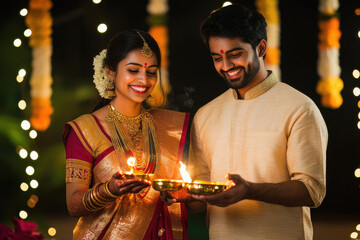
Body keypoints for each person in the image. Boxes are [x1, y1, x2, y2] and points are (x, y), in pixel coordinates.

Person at [183, 4, 327, 240]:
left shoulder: (299, 108)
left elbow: (312, 191)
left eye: (234, 54)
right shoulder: (205, 115)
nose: (225, 66)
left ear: (261, 48)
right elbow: (199, 199)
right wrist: (184, 196)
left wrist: (250, 191)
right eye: (217, 57)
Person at [62, 30, 189, 239]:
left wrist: (186, 193)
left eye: (151, 72)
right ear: (110, 71)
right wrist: (109, 190)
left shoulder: (168, 127)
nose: (144, 80)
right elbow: (73, 204)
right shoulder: (85, 129)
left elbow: (187, 201)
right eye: (133, 70)